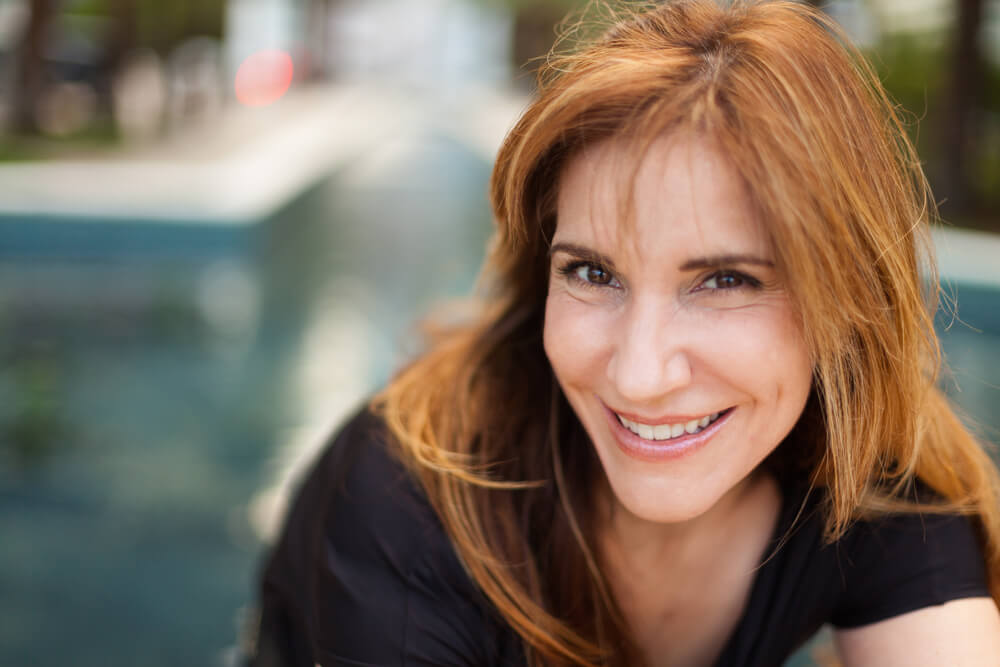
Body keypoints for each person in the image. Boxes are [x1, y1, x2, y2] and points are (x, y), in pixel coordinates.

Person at [247, 1, 1000, 665]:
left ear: (847, 295)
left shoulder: (874, 492)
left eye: (726, 280)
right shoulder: (405, 510)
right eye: (593, 273)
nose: (639, 375)